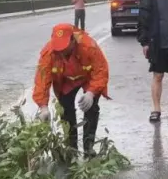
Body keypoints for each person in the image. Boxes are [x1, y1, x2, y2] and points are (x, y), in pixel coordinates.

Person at [33, 22, 110, 157]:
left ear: (73, 40)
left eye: (64, 48)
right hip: (66, 82)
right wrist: (43, 107)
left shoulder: (88, 46)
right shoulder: (49, 52)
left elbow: (101, 71)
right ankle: (71, 147)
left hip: (87, 78)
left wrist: (91, 93)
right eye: (58, 48)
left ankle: (88, 147)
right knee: (65, 111)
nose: (61, 51)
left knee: (91, 108)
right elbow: (42, 80)